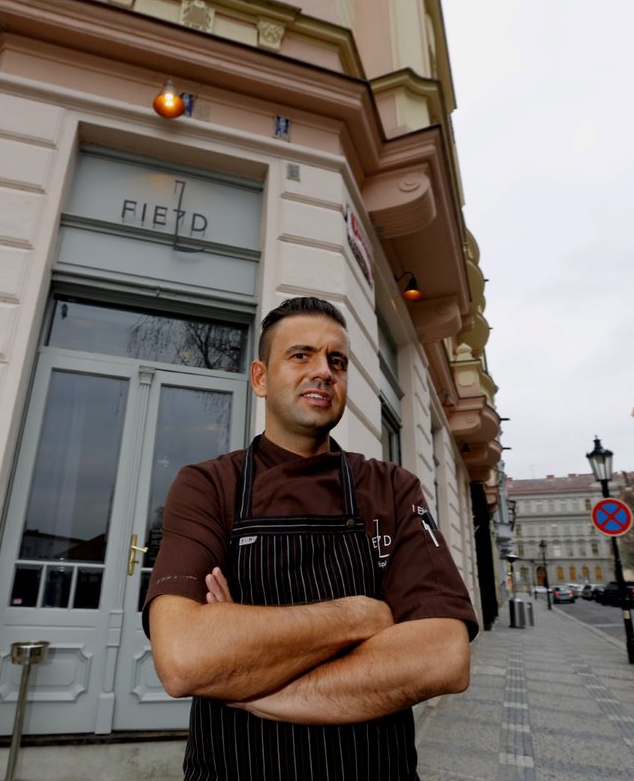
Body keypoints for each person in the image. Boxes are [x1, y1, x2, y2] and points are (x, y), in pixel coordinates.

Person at [143, 296, 477, 781]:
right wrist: (361, 615)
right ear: (260, 377)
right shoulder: (208, 486)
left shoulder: (390, 488)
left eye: (336, 361)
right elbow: (185, 658)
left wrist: (251, 683)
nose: (323, 371)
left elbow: (443, 656)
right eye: (301, 355)